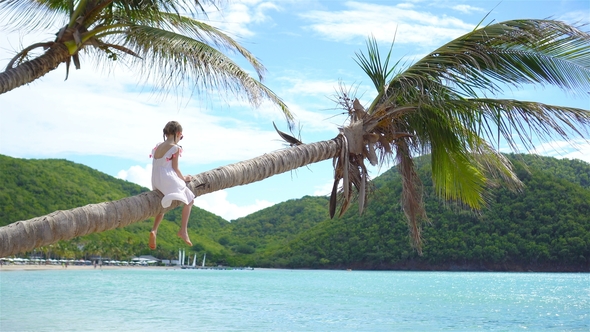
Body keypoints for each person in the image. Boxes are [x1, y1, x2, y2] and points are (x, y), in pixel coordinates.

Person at [149, 121, 195, 249]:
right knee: (189, 199)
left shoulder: (158, 146)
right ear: (178, 133)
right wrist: (184, 178)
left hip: (155, 179)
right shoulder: (175, 148)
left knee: (163, 204)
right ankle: (183, 231)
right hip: (167, 178)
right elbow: (175, 168)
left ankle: (154, 230)